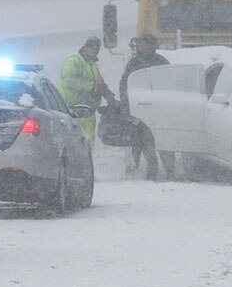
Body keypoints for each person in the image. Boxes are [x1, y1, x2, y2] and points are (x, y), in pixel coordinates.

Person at [118, 33, 173, 180]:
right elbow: (125, 85)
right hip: (140, 109)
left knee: (163, 141)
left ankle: (169, 171)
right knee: (142, 142)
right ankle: (147, 172)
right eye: (143, 44)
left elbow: (170, 83)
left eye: (148, 44)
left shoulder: (161, 62)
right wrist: (126, 103)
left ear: (153, 46)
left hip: (159, 110)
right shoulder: (133, 64)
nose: (145, 47)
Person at [59, 36, 117, 148]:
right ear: (85, 47)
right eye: (93, 49)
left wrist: (108, 95)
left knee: (88, 145)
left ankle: (87, 165)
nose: (95, 52)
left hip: (88, 113)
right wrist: (91, 87)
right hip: (71, 112)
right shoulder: (73, 61)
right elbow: (68, 80)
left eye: (97, 50)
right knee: (72, 146)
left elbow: (100, 83)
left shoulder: (92, 65)